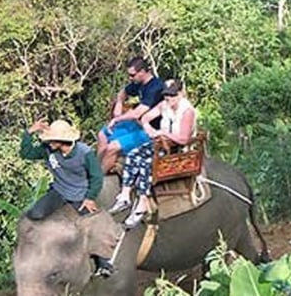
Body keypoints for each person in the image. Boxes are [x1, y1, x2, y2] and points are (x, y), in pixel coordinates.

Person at [20, 119, 114, 277]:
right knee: (34, 215)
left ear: (61, 141)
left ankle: (103, 263)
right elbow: (26, 153)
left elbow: (96, 177)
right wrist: (30, 132)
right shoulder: (48, 150)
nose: (48, 142)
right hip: (59, 191)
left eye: (51, 140)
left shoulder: (85, 153)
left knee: (96, 225)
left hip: (80, 194)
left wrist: (90, 198)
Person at [109, 80, 197, 228]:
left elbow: (183, 139)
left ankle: (142, 202)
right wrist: (148, 128)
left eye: (172, 95)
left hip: (176, 150)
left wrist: (163, 133)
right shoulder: (164, 105)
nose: (169, 98)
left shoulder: (187, 111)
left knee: (145, 164)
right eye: (167, 95)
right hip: (159, 144)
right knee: (133, 155)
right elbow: (145, 117)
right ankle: (125, 195)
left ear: (180, 94)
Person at [97, 57, 165, 173]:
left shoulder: (156, 87)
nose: (130, 78)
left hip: (150, 130)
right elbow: (123, 92)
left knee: (112, 147)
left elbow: (137, 113)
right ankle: (96, 168)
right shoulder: (138, 83)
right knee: (103, 134)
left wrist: (117, 119)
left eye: (132, 75)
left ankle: (100, 177)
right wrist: (119, 103)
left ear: (143, 72)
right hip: (136, 124)